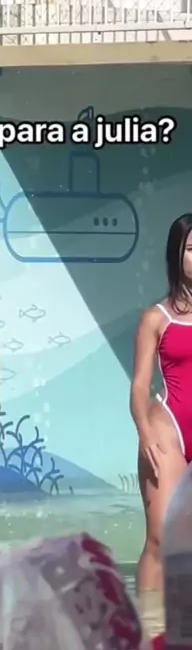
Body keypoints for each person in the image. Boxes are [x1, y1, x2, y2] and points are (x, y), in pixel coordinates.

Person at [130, 214, 192, 607]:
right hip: (169, 427)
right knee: (162, 538)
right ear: (176, 255)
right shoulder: (157, 317)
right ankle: (148, 625)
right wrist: (144, 430)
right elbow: (139, 385)